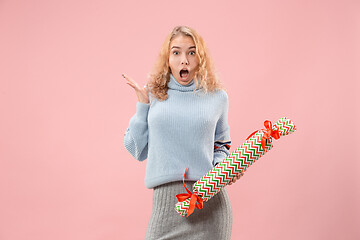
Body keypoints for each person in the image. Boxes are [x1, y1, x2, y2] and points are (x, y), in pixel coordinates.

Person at [123, 25, 244, 240]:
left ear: (200, 58)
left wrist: (224, 170)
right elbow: (136, 149)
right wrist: (142, 106)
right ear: (167, 59)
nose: (184, 60)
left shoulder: (217, 97)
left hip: (210, 206)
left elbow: (222, 145)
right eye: (176, 52)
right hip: (165, 208)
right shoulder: (153, 92)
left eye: (191, 52)